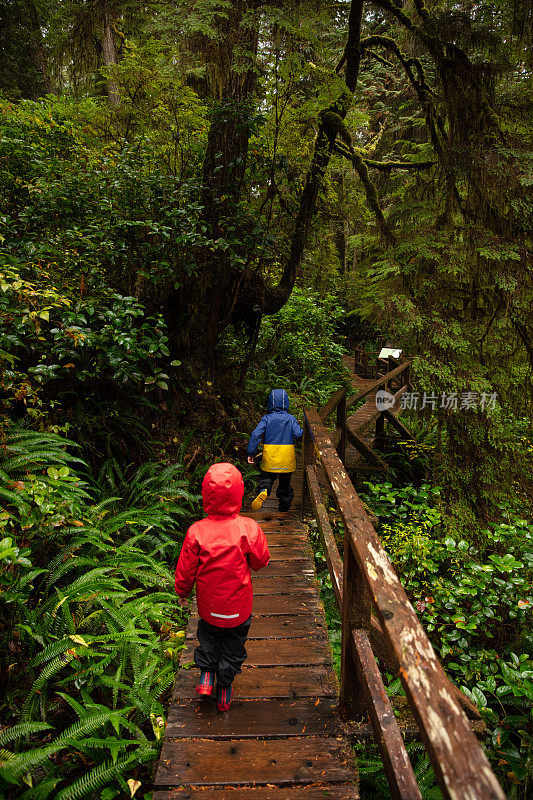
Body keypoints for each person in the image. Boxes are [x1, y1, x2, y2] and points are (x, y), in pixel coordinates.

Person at [175, 462, 269, 712]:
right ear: (239, 493)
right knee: (233, 647)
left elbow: (185, 569)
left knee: (208, 637)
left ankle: (206, 675)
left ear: (206, 494)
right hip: (238, 608)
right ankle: (224, 688)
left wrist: (182, 593)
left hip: (209, 608)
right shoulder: (248, 528)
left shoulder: (197, 531)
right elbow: (261, 561)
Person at [247, 389, 303, 512]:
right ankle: (284, 507)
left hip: (270, 456)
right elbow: (298, 434)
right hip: (286, 457)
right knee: (285, 484)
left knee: (266, 478)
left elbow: (256, 435)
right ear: (287, 403)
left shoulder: (266, 419)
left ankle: (264, 491)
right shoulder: (290, 419)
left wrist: (251, 453)